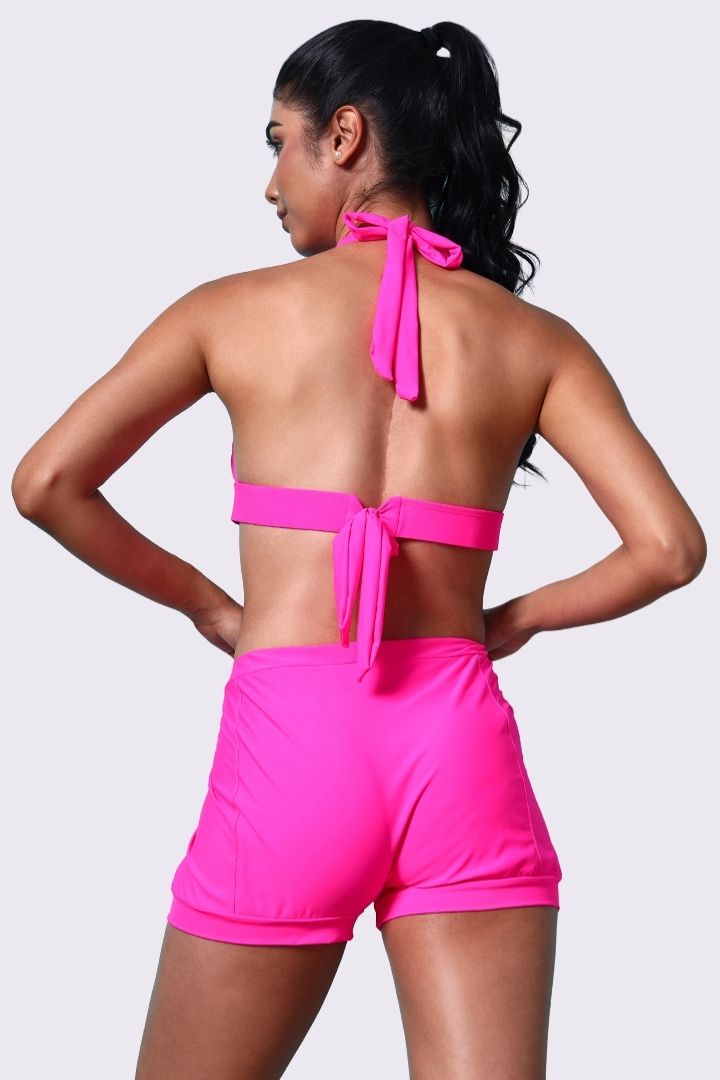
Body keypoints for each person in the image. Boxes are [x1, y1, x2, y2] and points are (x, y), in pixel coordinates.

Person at [11, 18, 706, 1080]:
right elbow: (668, 547)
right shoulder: (534, 339)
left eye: (277, 142)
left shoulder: (229, 313)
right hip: (460, 746)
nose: (270, 183)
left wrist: (210, 606)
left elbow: (46, 484)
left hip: (292, 744)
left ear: (342, 136)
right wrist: (504, 622)